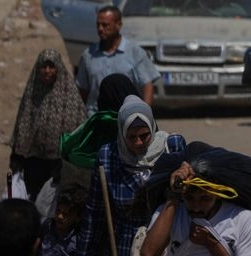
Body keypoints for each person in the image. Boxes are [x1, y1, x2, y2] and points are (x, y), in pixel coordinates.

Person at [80, 96, 186, 256]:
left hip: (166, 243)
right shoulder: (108, 156)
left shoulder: (171, 147)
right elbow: (95, 212)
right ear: (122, 133)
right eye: (131, 137)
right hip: (124, 246)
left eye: (144, 136)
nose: (138, 143)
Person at [140, 160, 251, 256]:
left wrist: (212, 243)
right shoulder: (170, 211)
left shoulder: (242, 218)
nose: (196, 208)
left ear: (217, 195)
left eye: (205, 199)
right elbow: (149, 253)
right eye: (189, 198)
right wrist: (173, 196)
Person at [9, 49, 86, 200]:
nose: (47, 71)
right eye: (43, 67)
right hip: (34, 161)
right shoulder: (32, 93)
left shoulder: (70, 96)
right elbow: (23, 124)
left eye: (51, 67)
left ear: (58, 68)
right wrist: (17, 156)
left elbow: (78, 127)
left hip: (59, 164)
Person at [75, 4, 160, 112]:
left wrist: (144, 113)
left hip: (127, 116)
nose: (100, 29)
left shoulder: (134, 52)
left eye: (105, 25)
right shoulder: (88, 55)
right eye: (98, 25)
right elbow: (83, 89)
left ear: (118, 25)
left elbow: (147, 86)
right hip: (97, 117)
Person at [39, 184, 87, 256]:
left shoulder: (77, 240)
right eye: (58, 210)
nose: (60, 216)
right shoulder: (45, 226)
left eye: (66, 214)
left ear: (78, 217)